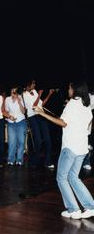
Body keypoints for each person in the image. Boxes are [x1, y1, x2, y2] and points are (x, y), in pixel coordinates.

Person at [34, 81, 94, 219]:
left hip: (70, 148)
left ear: (74, 90)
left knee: (61, 177)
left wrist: (42, 113)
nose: (68, 89)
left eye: (69, 87)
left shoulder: (72, 104)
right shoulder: (86, 105)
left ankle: (74, 210)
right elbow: (87, 125)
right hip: (82, 148)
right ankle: (90, 206)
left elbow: (63, 122)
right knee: (73, 177)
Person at [23, 79, 54, 168]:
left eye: (34, 83)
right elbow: (33, 106)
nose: (34, 85)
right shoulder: (24, 94)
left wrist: (49, 94)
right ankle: (34, 161)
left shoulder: (35, 92)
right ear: (28, 85)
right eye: (33, 84)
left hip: (41, 115)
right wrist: (39, 95)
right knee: (38, 140)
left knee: (47, 138)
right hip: (33, 117)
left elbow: (41, 104)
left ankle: (48, 162)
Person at [5, 87, 27, 166]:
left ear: (17, 93)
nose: (13, 94)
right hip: (11, 123)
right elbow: (6, 111)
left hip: (21, 122)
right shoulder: (7, 99)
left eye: (15, 93)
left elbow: (24, 111)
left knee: (21, 142)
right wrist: (9, 116)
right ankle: (11, 159)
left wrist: (19, 102)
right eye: (12, 92)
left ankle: (19, 159)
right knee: (11, 142)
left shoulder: (21, 98)